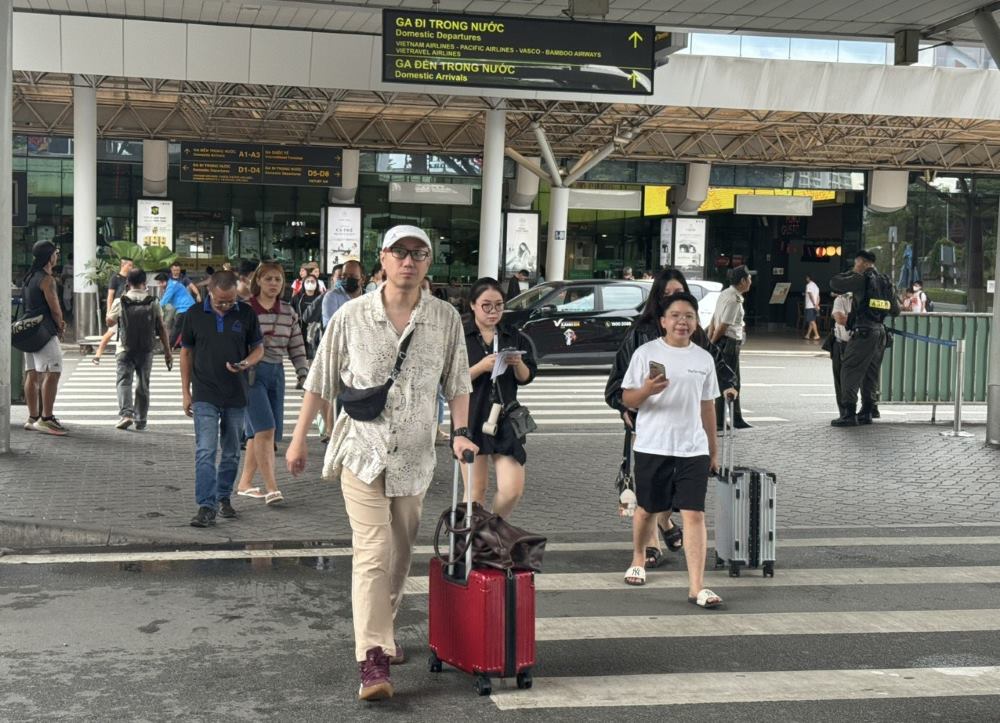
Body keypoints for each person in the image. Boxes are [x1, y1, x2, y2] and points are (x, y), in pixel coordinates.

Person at [285, 224, 477, 702]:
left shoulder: (445, 318)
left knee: (400, 552)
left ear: (428, 263)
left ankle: (383, 628)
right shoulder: (351, 315)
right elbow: (320, 380)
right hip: (361, 450)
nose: (409, 261)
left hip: (413, 457)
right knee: (371, 551)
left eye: (419, 254)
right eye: (399, 252)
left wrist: (460, 434)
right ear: (383, 260)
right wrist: (298, 440)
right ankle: (372, 658)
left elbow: (457, 383)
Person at [605, 268, 737, 572]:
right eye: (667, 296)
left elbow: (714, 367)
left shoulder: (695, 335)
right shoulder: (640, 335)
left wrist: (729, 384)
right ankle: (648, 546)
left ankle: (668, 530)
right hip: (646, 425)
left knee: (679, 497)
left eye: (680, 293)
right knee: (649, 497)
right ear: (659, 303)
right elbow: (618, 386)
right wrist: (626, 407)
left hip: (688, 434)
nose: (676, 306)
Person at [620, 292, 722, 608]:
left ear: (696, 321)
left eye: (689, 315)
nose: (682, 321)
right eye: (675, 315)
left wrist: (712, 448)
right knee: (648, 509)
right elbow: (627, 400)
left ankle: (696, 587)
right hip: (653, 444)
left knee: (694, 513)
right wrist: (647, 390)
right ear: (663, 321)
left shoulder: (703, 359)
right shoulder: (645, 353)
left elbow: (708, 406)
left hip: (692, 448)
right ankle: (638, 555)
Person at [180, 271, 264, 528]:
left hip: (236, 393)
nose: (226, 305)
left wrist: (245, 363)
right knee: (206, 450)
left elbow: (258, 348)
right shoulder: (194, 315)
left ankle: (223, 497)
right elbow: (186, 354)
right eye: (220, 301)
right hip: (205, 392)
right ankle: (206, 505)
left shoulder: (246, 314)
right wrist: (186, 392)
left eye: (230, 301)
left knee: (230, 453)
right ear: (210, 293)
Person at [234, 262, 309, 505]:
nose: (274, 284)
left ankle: (244, 483)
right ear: (258, 281)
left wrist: (303, 374)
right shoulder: (244, 309)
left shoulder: (288, 311)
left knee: (264, 433)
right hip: (250, 374)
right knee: (265, 429)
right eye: (268, 279)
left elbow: (296, 345)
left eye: (278, 279)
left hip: (276, 373)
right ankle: (272, 488)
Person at [462, 278, 537, 518]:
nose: (493, 311)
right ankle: (470, 546)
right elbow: (448, 381)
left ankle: (492, 531)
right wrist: (481, 367)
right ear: (473, 305)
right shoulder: (460, 336)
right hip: (471, 415)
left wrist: (518, 364)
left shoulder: (511, 335)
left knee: (512, 489)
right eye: (486, 305)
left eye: (499, 305)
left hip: (504, 417)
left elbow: (526, 378)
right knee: (476, 491)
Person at [829, 250, 899, 426]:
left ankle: (849, 414)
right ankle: (867, 411)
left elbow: (834, 283)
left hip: (864, 332)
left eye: (856, 263)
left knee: (849, 370)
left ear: (861, 262)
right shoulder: (885, 281)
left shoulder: (861, 279)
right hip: (880, 333)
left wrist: (853, 271)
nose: (855, 266)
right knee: (870, 373)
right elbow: (895, 310)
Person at [107, 268, 171, 431]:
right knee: (143, 384)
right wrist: (168, 352)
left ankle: (126, 414)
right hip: (146, 349)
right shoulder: (153, 301)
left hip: (124, 348)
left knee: (124, 381)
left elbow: (109, 322)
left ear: (127, 283)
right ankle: (141, 419)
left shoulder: (121, 300)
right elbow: (161, 327)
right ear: (144, 283)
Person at [21, 241, 68, 436]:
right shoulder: (47, 279)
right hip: (44, 331)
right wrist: (60, 324)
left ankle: (33, 417)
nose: (57, 256)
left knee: (33, 374)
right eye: (56, 253)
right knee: (53, 372)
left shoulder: (29, 277)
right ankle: (46, 418)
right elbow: (55, 308)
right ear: (49, 256)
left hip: (28, 330)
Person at [709, 265, 753, 429]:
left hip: (724, 342)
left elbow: (714, 319)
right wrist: (712, 343)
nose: (750, 281)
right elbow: (723, 325)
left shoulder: (724, 294)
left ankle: (736, 418)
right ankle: (721, 421)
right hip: (729, 343)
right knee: (728, 382)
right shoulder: (734, 299)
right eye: (749, 278)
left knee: (732, 382)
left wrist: (711, 341)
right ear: (742, 280)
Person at [91, 257, 134, 366]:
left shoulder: (131, 278)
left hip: (129, 307)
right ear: (123, 265)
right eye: (130, 265)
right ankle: (97, 355)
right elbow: (110, 296)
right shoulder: (115, 278)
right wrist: (109, 312)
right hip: (117, 307)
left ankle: (125, 354)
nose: (132, 267)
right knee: (111, 332)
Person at [157, 270, 196, 349]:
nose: (159, 285)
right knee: (186, 329)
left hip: (185, 308)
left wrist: (154, 309)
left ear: (164, 281)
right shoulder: (172, 284)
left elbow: (165, 300)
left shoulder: (172, 286)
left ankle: (167, 348)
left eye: (160, 283)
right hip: (187, 308)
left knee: (176, 328)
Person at [321, 259, 364, 328]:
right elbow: (330, 328)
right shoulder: (332, 297)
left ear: (362, 279)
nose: (347, 279)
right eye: (344, 276)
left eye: (352, 276)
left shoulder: (369, 297)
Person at [291, 272, 325, 359]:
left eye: (313, 281)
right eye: (308, 281)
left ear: (317, 284)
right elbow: (291, 311)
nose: (310, 283)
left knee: (315, 355)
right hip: (301, 330)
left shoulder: (321, 297)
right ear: (304, 283)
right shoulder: (297, 298)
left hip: (317, 331)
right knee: (302, 356)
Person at [829, 291, 852, 416]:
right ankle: (845, 412)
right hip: (841, 343)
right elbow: (840, 318)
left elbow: (842, 318)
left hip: (858, 345)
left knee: (849, 380)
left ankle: (850, 413)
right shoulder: (841, 299)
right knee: (841, 379)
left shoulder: (844, 299)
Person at [804, 274, 821, 341]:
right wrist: (817, 304)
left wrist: (814, 304)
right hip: (815, 305)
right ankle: (807, 335)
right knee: (812, 320)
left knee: (812, 321)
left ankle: (817, 335)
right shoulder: (816, 286)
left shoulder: (808, 285)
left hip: (810, 305)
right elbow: (818, 296)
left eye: (806, 278)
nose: (806, 279)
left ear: (808, 278)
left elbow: (810, 295)